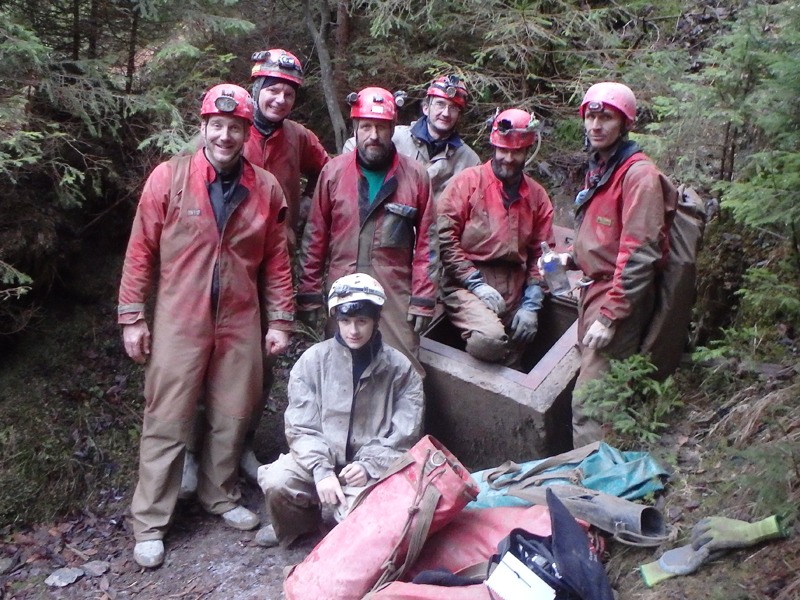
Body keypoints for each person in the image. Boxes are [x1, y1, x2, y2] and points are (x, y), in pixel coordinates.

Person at [118, 83, 295, 568]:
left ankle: (218, 495)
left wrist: (280, 318)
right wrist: (132, 316)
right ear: (203, 128)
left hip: (241, 316)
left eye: (234, 128)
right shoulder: (169, 177)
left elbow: (277, 260)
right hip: (180, 315)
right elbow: (140, 252)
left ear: (245, 133)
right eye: (216, 126)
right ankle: (151, 521)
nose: (224, 136)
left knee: (233, 412)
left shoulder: (265, 187)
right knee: (167, 416)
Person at [255, 273, 424, 547]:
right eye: (345, 321)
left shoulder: (400, 370)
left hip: (367, 468)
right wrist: (321, 470)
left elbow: (405, 434)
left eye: (362, 321)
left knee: (368, 526)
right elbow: (300, 426)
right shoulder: (312, 361)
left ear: (376, 320)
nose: (353, 331)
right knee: (277, 481)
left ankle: (343, 525)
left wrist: (369, 465)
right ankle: (298, 526)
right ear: (336, 319)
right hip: (317, 460)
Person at [556, 82, 677, 446]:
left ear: (624, 123)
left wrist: (611, 316)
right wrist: (573, 258)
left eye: (605, 117)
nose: (595, 125)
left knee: (591, 403)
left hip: (617, 298)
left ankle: (593, 490)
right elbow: (604, 231)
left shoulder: (638, 175)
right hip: (596, 291)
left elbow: (640, 252)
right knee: (596, 393)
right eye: (590, 116)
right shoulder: (603, 167)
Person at [297, 86, 437, 374]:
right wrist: (309, 291)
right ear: (356, 129)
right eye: (366, 127)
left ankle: (400, 420)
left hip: (394, 287)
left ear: (392, 129)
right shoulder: (333, 173)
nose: (374, 135)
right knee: (339, 368)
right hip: (342, 281)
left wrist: (423, 299)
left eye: (382, 127)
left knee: (404, 369)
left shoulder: (416, 176)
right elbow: (315, 238)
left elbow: (428, 243)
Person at [437, 108, 555, 364]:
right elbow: (444, 237)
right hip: (464, 280)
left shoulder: (537, 196)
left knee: (518, 346)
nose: (509, 158)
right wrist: (474, 282)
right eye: (504, 150)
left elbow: (544, 254)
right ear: (493, 147)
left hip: (514, 282)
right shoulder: (467, 183)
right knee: (489, 341)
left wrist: (532, 305)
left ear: (527, 152)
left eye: (517, 152)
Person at [243, 48, 330, 246]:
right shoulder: (231, 131)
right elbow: (186, 172)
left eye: (288, 94)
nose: (281, 100)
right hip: (234, 252)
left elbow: (327, 172)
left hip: (281, 249)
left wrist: (306, 206)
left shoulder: (298, 136)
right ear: (257, 90)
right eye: (273, 90)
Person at [343, 74, 481, 199]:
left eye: (453, 108)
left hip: (435, 225)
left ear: (459, 116)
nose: (445, 113)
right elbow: (353, 147)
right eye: (440, 104)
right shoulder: (395, 138)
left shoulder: (469, 161)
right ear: (425, 108)